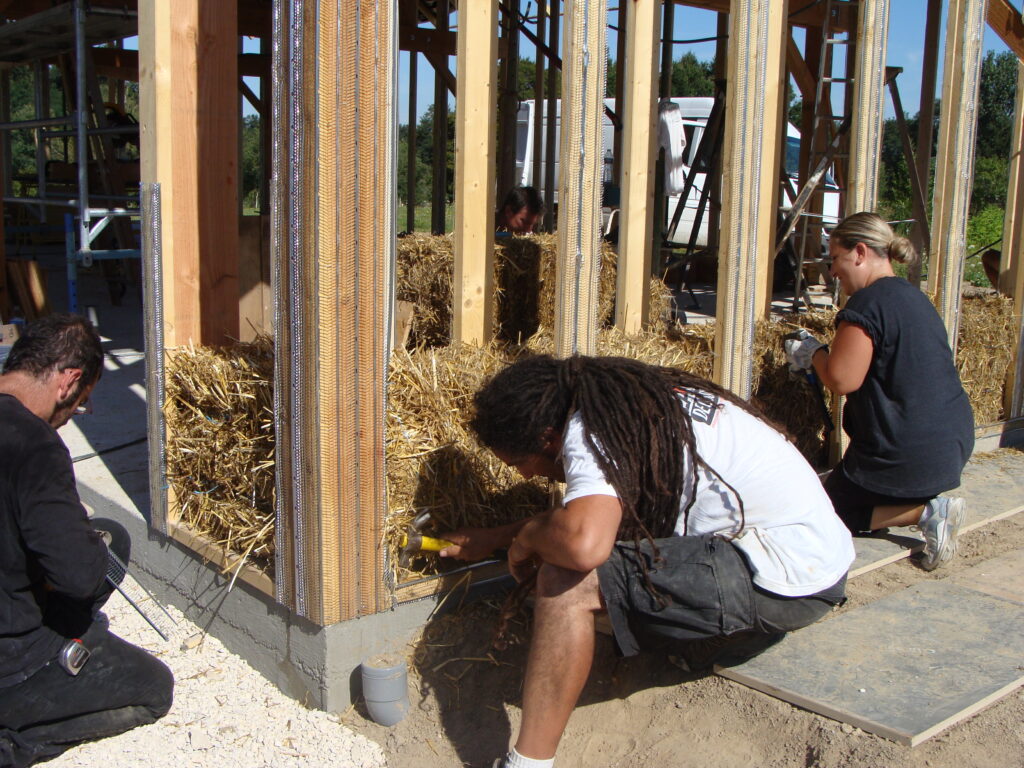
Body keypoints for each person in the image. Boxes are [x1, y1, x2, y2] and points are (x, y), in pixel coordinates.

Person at [439, 354, 853, 768]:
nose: (526, 477)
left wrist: (527, 538)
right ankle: (714, 640)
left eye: (519, 464)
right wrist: (497, 538)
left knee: (568, 581)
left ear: (549, 437)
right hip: (812, 560)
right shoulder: (628, 402)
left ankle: (528, 763)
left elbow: (584, 545)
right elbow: (587, 521)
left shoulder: (591, 431)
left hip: (786, 580)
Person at [0, 314, 174, 768]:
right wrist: (73, 528)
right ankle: (14, 742)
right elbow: (77, 576)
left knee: (111, 538)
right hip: (10, 660)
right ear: (69, 381)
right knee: (153, 689)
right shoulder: (33, 446)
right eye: (83, 401)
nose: (80, 411)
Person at [785, 212, 975, 570]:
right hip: (950, 444)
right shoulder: (912, 298)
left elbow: (842, 380)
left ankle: (929, 511)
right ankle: (916, 499)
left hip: (905, 454)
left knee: (825, 513)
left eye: (836, 259)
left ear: (859, 252)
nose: (833, 271)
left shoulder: (867, 304)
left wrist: (813, 353)